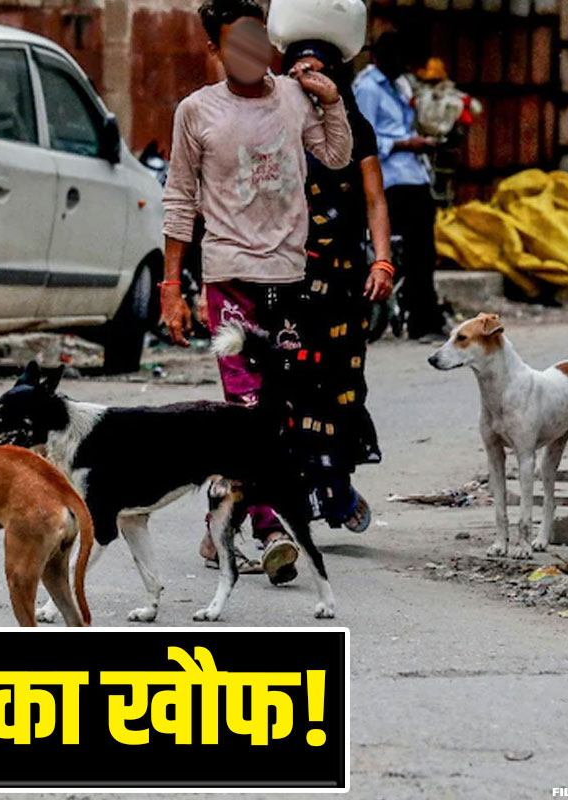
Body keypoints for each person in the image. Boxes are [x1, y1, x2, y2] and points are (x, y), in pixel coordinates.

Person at [160, 0, 353, 585]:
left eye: (254, 37)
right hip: (229, 279)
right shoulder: (196, 113)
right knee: (246, 407)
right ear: (214, 50)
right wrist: (173, 285)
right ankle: (270, 529)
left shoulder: (295, 99)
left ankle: (221, 513)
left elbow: (337, 155)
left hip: (290, 278)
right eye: (232, 41)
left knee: (283, 408)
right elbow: (178, 198)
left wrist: (331, 99)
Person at [278, 38, 394, 532]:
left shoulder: (356, 128)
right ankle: (298, 495)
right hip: (286, 278)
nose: (306, 79)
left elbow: (374, 201)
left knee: (341, 387)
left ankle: (338, 486)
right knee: (291, 389)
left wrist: (382, 262)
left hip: (345, 280)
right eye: (296, 70)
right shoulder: (276, 126)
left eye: (315, 70)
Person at [353, 31, 447, 343]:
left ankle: (424, 313)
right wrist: (406, 144)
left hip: (413, 177)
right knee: (418, 250)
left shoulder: (397, 86)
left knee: (423, 252)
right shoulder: (368, 88)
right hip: (391, 180)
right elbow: (364, 140)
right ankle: (422, 319)